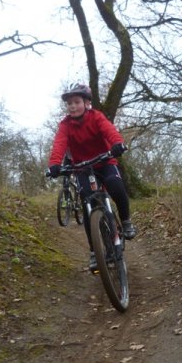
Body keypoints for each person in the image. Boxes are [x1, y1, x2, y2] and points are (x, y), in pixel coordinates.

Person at [48, 82, 137, 270]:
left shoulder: (96, 117)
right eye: (69, 103)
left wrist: (117, 144)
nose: (72, 106)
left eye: (76, 102)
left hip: (105, 162)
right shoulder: (65, 125)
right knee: (88, 206)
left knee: (116, 186)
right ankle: (94, 252)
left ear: (86, 103)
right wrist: (54, 165)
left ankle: (126, 220)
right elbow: (59, 144)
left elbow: (109, 130)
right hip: (82, 168)